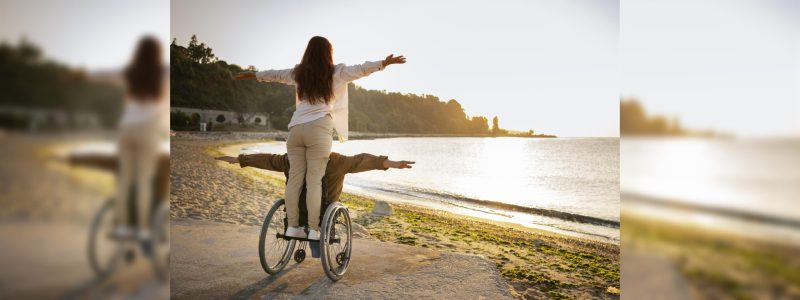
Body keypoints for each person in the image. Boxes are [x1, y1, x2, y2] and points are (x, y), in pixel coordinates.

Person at [234, 36, 406, 240]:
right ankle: (314, 230)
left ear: (308, 52)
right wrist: (383, 63)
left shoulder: (298, 73)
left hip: (296, 129)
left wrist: (254, 75)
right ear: (328, 53)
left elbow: (276, 74)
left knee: (294, 180)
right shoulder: (336, 72)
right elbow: (361, 69)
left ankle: (293, 227)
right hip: (319, 129)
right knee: (314, 180)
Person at [215, 152, 413, 227]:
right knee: (326, 212)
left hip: (297, 213)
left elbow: (267, 160)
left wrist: (240, 159)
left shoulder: (291, 160)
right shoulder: (337, 161)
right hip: (324, 213)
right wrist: (391, 163)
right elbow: (362, 160)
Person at [115, 36, 169, 243]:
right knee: (144, 179)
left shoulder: (131, 72)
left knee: (125, 179)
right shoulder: (160, 73)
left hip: (126, 129)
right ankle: (142, 230)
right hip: (147, 130)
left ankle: (122, 227)